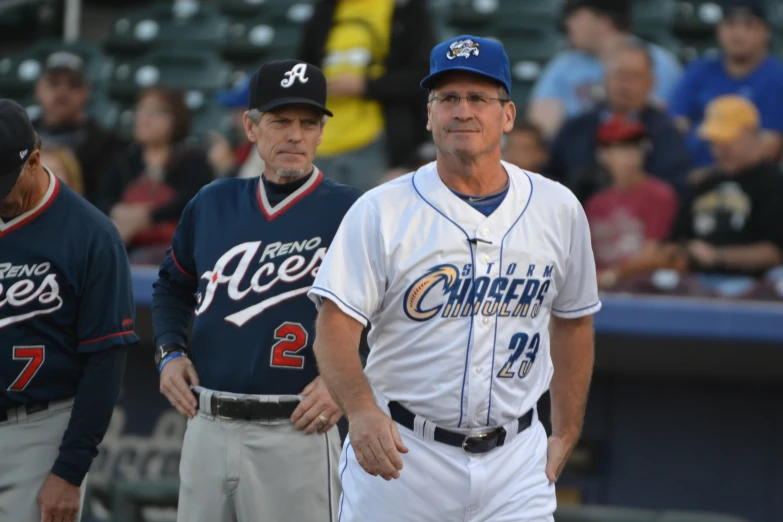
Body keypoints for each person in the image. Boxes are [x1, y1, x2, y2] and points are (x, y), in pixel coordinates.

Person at [308, 35, 602, 521]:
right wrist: (360, 411)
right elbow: (334, 328)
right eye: (447, 98)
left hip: (516, 460)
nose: (462, 111)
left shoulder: (558, 208)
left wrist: (567, 430)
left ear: (507, 115)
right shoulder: (381, 210)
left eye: (478, 98)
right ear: (429, 115)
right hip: (404, 457)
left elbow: (573, 323)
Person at [150, 60, 362, 522]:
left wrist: (345, 381)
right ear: (250, 126)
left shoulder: (353, 211)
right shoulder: (212, 202)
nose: (295, 135)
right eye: (280, 121)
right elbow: (171, 287)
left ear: (322, 132)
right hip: (206, 423)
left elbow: (391, 316)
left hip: (298, 429)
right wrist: (169, 352)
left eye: (308, 123)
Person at [0, 99, 138, 522]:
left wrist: (69, 472)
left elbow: (106, 360)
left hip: (37, 432)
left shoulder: (90, 235)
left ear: (34, 161)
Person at [298, 0, 436, 191]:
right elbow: (301, 70)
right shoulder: (324, 10)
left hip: (378, 145)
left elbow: (423, 76)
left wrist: (367, 85)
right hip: (321, 141)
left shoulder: (406, 9)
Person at [547, 42, 691, 201]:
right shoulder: (576, 127)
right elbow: (552, 179)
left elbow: (675, 189)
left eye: (635, 76)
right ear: (604, 78)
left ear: (651, 83)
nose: (625, 84)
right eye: (619, 75)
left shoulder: (666, 132)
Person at [93, 86, 214, 264]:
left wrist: (147, 216)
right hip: (127, 240)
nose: (145, 118)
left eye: (156, 112)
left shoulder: (192, 160)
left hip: (175, 247)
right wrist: (118, 210)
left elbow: (191, 202)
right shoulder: (124, 159)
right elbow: (101, 198)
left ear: (177, 119)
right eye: (141, 109)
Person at [528, 0, 682, 139]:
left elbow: (675, 123)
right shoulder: (563, 66)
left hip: (643, 153)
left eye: (574, 16)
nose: (568, 24)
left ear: (602, 21)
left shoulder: (659, 62)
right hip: (578, 158)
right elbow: (540, 131)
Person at [668, 95, 783, 278]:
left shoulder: (773, 182)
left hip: (753, 284)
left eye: (726, 140)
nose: (719, 149)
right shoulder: (705, 182)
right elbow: (677, 238)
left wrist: (718, 256)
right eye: (714, 141)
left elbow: (775, 252)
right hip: (693, 281)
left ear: (750, 135)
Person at [670, 0, 783, 168]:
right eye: (731, 25)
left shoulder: (777, 77)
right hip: (690, 173)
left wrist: (713, 176)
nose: (738, 33)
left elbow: (769, 146)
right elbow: (676, 127)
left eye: (749, 26)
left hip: (749, 179)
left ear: (765, 32)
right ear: (719, 30)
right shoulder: (700, 70)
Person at [585, 114, 679, 289]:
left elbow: (653, 254)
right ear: (603, 154)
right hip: (600, 290)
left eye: (636, 147)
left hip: (644, 288)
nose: (631, 155)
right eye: (622, 147)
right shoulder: (595, 203)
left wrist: (611, 276)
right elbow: (585, 257)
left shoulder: (658, 194)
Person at [32, 50, 128, 204]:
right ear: (38, 89)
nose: (62, 92)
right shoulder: (20, 136)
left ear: (86, 91)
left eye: (73, 85)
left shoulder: (105, 143)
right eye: (53, 84)